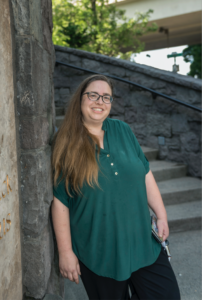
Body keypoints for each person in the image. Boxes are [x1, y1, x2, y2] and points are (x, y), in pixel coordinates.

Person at [51, 74, 181, 300]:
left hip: (142, 243)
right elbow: (61, 201)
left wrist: (161, 215)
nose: (99, 101)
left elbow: (145, 173)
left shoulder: (123, 130)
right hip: (98, 250)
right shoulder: (65, 142)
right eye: (93, 95)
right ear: (80, 99)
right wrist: (65, 252)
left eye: (106, 97)